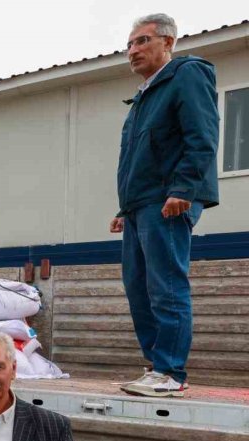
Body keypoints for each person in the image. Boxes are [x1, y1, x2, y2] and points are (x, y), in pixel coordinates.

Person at [111, 13, 219, 398]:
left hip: (169, 200)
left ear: (168, 43)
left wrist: (184, 189)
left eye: (143, 41)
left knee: (166, 285)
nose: (133, 51)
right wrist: (125, 208)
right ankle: (157, 366)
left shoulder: (187, 74)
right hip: (141, 204)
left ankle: (171, 372)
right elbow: (138, 158)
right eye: (130, 44)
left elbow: (202, 135)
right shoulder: (142, 96)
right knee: (137, 286)